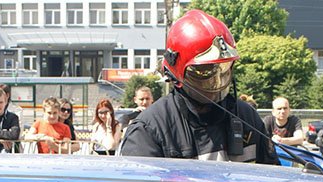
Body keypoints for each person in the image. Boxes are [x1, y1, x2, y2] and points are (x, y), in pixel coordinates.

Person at [119, 10, 278, 165]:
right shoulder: (149, 130)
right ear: (176, 74)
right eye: (204, 72)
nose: (216, 82)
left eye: (223, 69)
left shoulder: (246, 116)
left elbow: (274, 181)